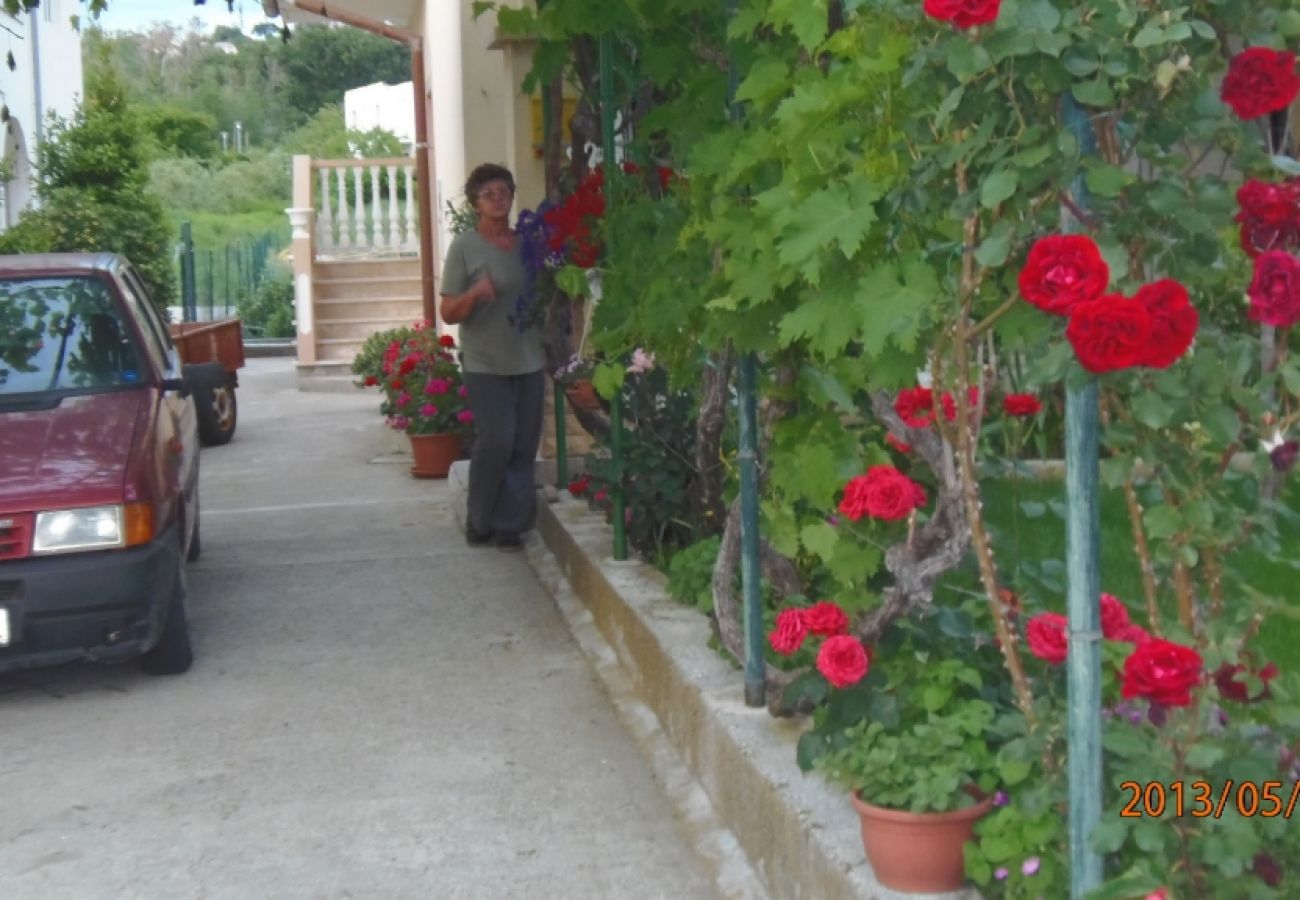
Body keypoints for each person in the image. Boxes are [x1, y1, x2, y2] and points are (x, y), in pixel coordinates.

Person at [439, 164, 545, 552]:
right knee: (497, 440)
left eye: (504, 191)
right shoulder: (465, 247)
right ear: (475, 203)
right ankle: (479, 518)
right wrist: (474, 294)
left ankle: (509, 526)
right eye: (489, 194)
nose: (499, 199)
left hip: (528, 356)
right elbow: (448, 312)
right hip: (485, 360)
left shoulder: (526, 245)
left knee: (522, 444)